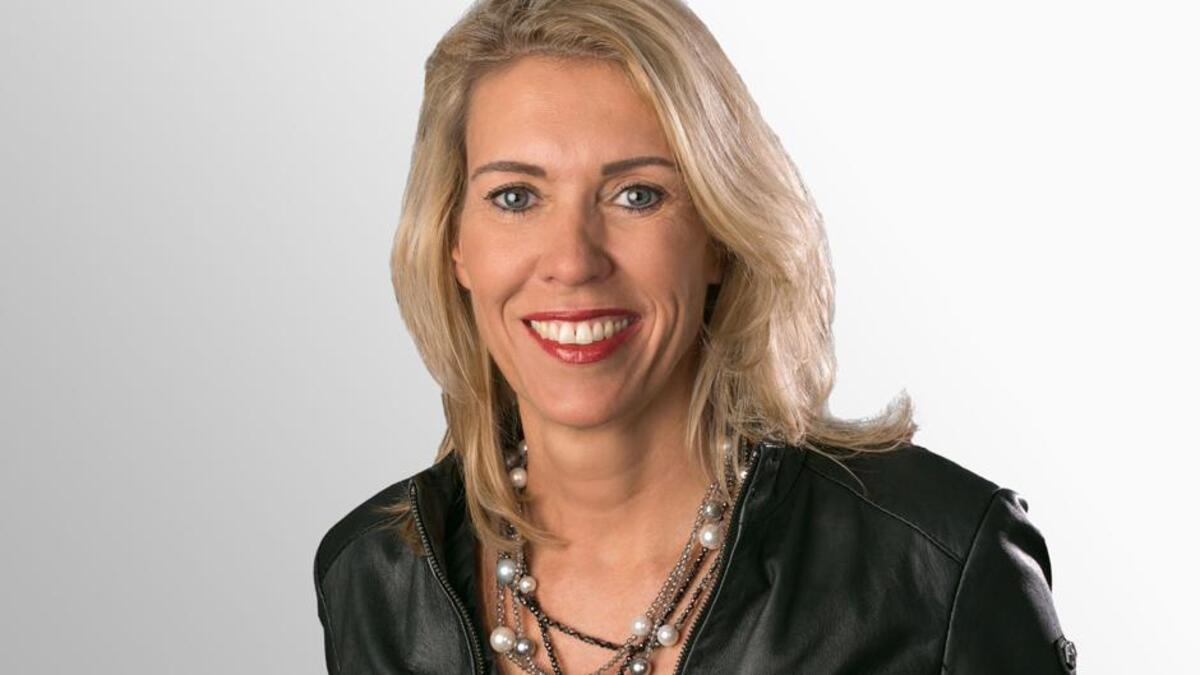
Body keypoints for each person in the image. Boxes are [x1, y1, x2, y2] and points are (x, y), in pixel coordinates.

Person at [314, 1, 1074, 673]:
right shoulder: (374, 578)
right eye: (515, 197)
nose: (573, 261)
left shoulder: (940, 563)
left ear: (718, 233)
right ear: (453, 242)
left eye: (637, 195)